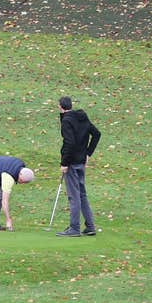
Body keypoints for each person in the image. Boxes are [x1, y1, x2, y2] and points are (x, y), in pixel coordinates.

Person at [56, 96, 101, 237]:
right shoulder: (82, 117)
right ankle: (90, 226)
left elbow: (69, 143)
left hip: (72, 163)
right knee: (82, 194)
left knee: (74, 196)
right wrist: (88, 153)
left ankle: (74, 228)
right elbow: (96, 134)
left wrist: (64, 163)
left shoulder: (67, 121)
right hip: (81, 162)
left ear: (60, 107)